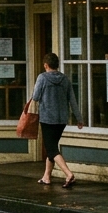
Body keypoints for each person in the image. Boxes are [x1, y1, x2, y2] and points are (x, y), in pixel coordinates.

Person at [32, 53, 82, 189]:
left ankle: (68, 173)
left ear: (46, 65)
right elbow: (73, 100)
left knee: (52, 148)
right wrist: (79, 118)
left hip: (48, 118)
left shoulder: (42, 78)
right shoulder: (65, 79)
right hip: (62, 119)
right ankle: (46, 177)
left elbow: (35, 96)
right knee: (52, 146)